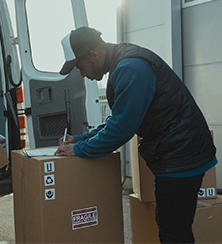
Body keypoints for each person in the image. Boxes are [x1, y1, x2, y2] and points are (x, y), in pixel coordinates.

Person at [55, 26, 217, 243]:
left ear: (94, 55)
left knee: (174, 232)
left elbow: (121, 129)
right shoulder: (123, 63)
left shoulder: (131, 68)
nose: (83, 74)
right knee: (171, 226)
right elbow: (120, 119)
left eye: (81, 67)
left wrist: (78, 150)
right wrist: (81, 139)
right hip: (180, 151)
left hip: (182, 156)